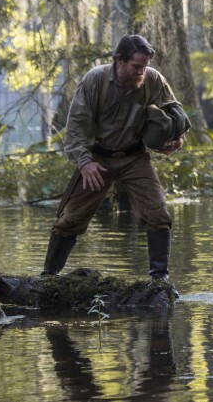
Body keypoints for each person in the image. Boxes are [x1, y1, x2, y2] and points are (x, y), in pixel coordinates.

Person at [42, 35, 186, 280]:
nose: (142, 72)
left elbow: (175, 113)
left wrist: (178, 138)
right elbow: (75, 128)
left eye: (145, 66)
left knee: (158, 215)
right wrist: (84, 162)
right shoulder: (94, 80)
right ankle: (47, 278)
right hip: (97, 159)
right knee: (71, 220)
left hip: (135, 158)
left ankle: (160, 280)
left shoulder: (152, 79)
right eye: (136, 67)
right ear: (118, 60)